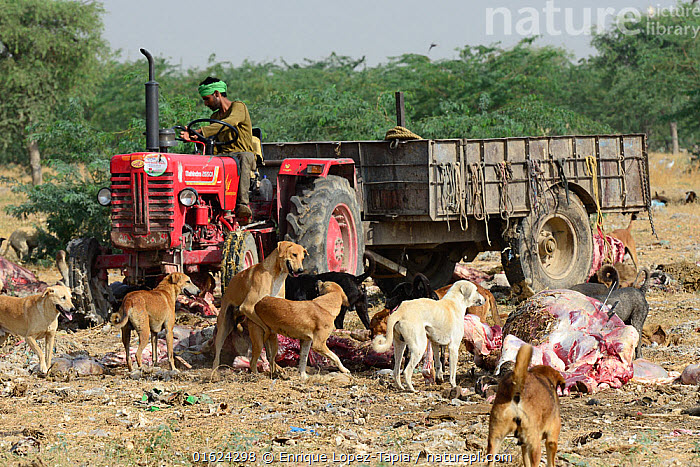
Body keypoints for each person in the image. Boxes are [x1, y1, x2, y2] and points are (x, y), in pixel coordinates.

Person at [179, 77, 256, 222]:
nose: (206, 103)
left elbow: (229, 123)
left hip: (240, 155)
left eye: (207, 99)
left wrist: (200, 130)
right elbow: (211, 139)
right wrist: (195, 136)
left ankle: (242, 205)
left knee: (243, 157)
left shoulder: (238, 107)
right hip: (222, 157)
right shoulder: (214, 117)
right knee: (201, 161)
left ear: (216, 93)